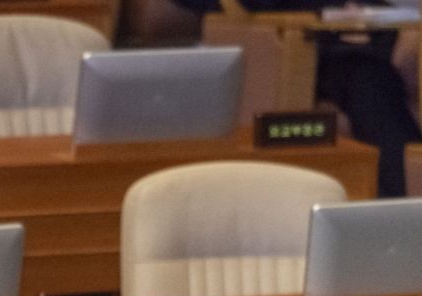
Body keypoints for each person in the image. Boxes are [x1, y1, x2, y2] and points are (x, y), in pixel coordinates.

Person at [175, 0, 422, 197]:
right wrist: (325, 14)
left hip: (360, 41)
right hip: (296, 45)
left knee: (377, 73)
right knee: (369, 81)